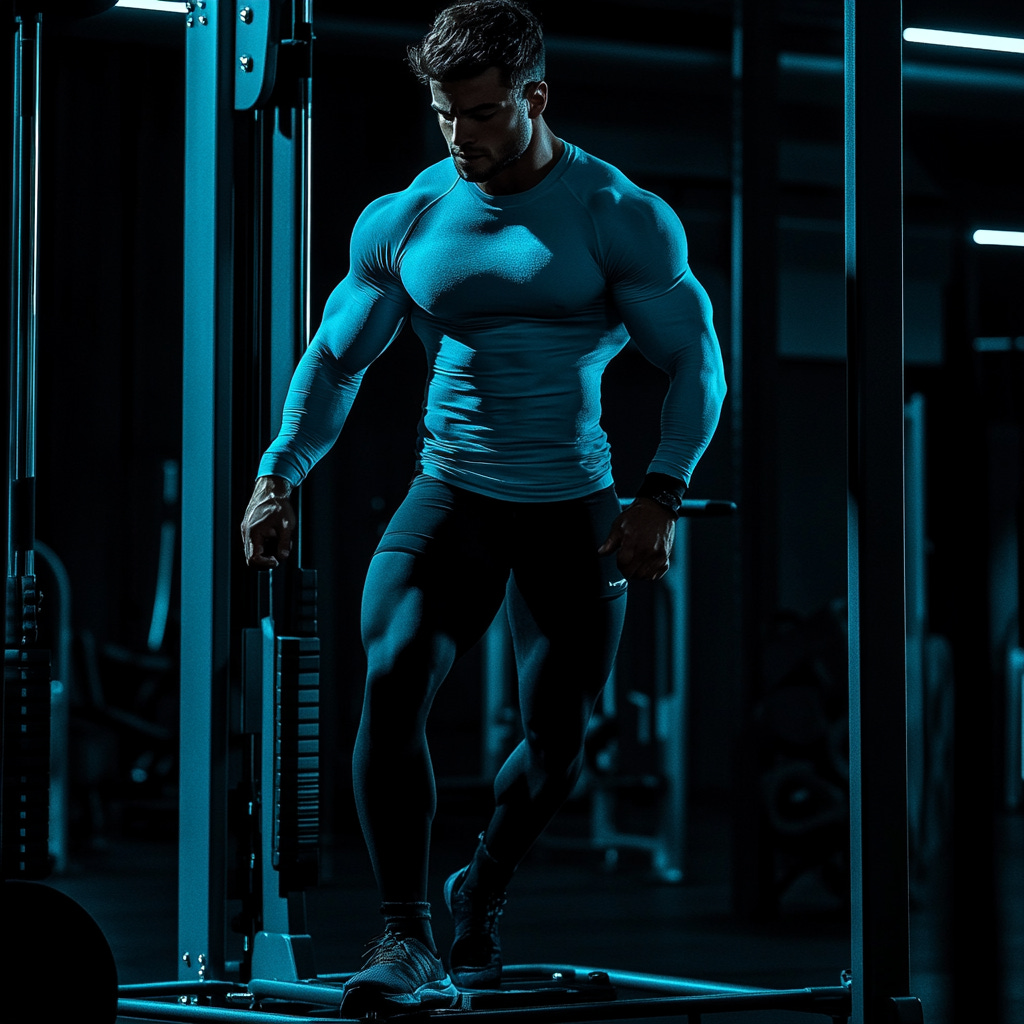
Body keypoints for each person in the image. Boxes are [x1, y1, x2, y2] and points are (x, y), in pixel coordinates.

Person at [240, 1, 726, 1015]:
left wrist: (661, 491)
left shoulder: (616, 213)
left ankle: (481, 888)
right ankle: (404, 931)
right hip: (450, 491)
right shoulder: (409, 216)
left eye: (481, 112)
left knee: (560, 736)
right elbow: (335, 360)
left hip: (574, 508)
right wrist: (279, 473)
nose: (459, 136)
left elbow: (694, 359)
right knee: (394, 671)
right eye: (442, 112)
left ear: (534, 97)